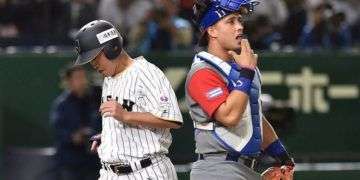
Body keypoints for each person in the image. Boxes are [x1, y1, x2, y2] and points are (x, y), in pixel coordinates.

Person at [185, 0, 295, 179]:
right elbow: (230, 117)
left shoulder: (241, 66)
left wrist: (282, 158)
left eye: (240, 20)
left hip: (245, 168)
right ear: (211, 30)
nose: (239, 27)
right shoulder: (203, 72)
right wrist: (246, 72)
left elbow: (253, 116)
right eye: (230, 21)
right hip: (217, 169)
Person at [73, 20, 183, 180]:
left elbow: (172, 119)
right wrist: (110, 136)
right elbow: (125, 118)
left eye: (95, 58)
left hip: (147, 171)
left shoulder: (146, 73)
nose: (93, 64)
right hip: (111, 173)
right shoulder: (109, 79)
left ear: (111, 48)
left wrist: (126, 116)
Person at [50, 65, 101, 180]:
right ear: (68, 82)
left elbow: (101, 124)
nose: (83, 81)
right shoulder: (61, 105)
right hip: (70, 162)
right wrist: (73, 137)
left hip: (93, 162)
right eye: (78, 77)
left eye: (84, 77)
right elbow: (58, 130)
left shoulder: (95, 100)